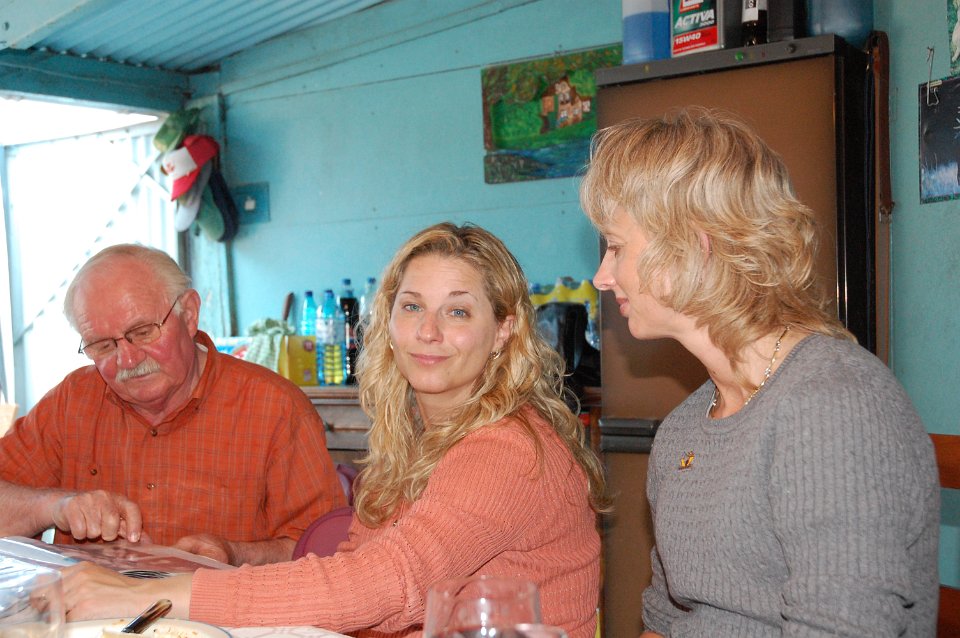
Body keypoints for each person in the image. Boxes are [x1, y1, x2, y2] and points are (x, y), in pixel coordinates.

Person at [61, 223, 607, 638]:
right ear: (387, 321)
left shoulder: (509, 448)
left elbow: (384, 585)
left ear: (504, 330)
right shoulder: (417, 440)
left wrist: (151, 596)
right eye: (411, 306)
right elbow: (349, 574)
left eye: (458, 312)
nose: (428, 331)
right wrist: (221, 567)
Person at [579, 108, 940, 636]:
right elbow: (663, 619)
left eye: (616, 247)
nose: (601, 277)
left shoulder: (834, 403)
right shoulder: (684, 427)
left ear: (694, 246)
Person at [0, 244, 345, 566]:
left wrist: (234, 554)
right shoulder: (73, 402)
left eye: (143, 332)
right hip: (91, 608)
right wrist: (54, 506)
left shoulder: (276, 409)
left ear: (190, 314)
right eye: (103, 346)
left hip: (216, 610)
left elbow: (329, 555)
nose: (128, 359)